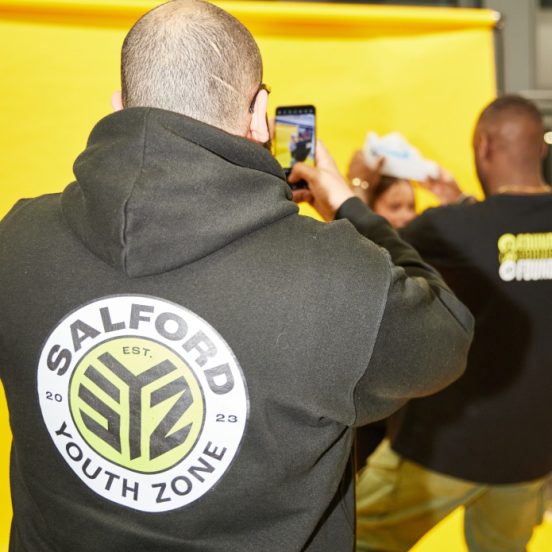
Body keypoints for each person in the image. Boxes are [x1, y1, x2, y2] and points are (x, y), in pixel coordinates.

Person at [0, 1, 473, 551]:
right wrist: (350, 207)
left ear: (120, 105)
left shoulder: (17, 236)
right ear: (261, 115)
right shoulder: (340, 277)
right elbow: (447, 337)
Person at [346, 95, 551, 551]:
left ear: (484, 146)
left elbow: (365, 254)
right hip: (534, 455)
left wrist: (356, 185)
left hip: (442, 449)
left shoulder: (451, 227)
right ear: (540, 147)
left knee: (352, 540)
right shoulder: (463, 220)